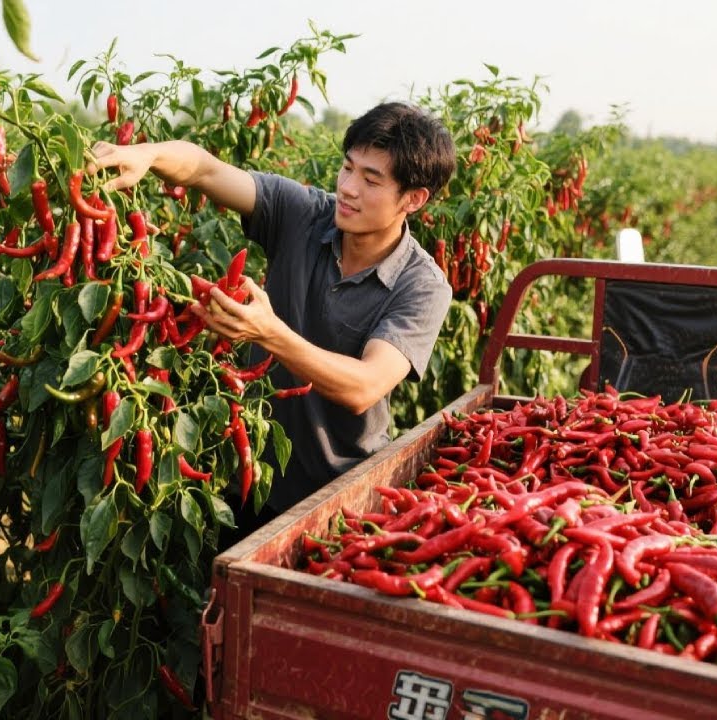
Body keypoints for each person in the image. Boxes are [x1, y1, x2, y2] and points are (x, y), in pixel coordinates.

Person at [89, 101, 456, 543]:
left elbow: (363, 387)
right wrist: (149, 155)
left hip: (342, 497)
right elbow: (204, 170)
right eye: (347, 168)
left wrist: (270, 333)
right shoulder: (303, 214)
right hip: (248, 475)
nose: (348, 188)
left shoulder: (421, 285)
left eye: (370, 179)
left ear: (413, 199)